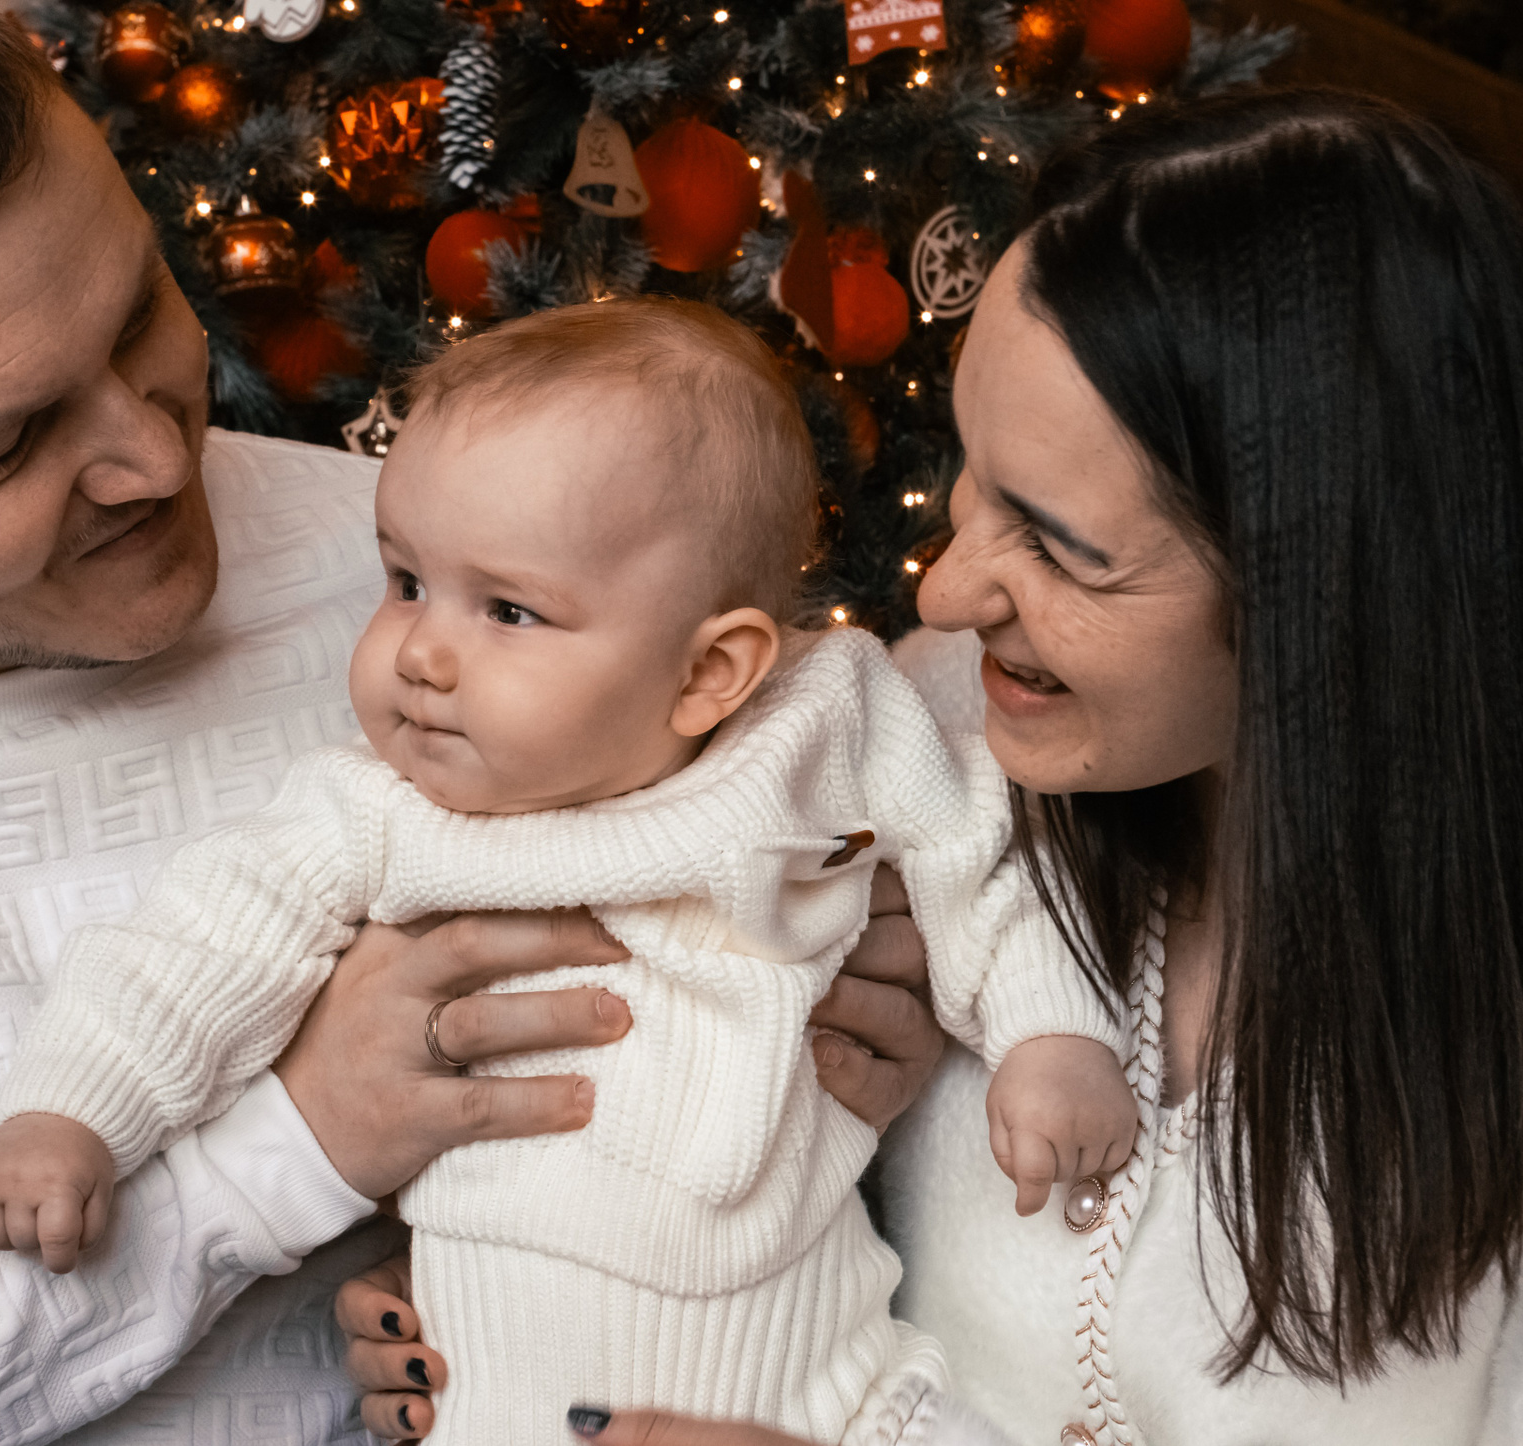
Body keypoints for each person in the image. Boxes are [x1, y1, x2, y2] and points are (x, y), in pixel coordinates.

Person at [0, 2, 939, 1441]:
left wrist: (866, 1060)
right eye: (4, 447)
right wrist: (293, 1145)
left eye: (138, 313)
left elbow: (826, 873)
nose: (150, 455)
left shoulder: (453, 563)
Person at [338, 88, 1523, 1446]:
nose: (944, 594)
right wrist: (530, 1295)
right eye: (973, 475)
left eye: (1060, 547)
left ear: (1333, 591)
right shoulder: (911, 746)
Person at [0, 298, 1135, 1444]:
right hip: (499, 1395)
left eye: (509, 611)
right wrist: (71, 1111)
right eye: (406, 582)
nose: (422, 652)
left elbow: (980, 858)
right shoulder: (378, 812)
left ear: (709, 674)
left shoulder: (817, 730)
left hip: (821, 1381)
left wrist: (1050, 1035)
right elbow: (194, 946)